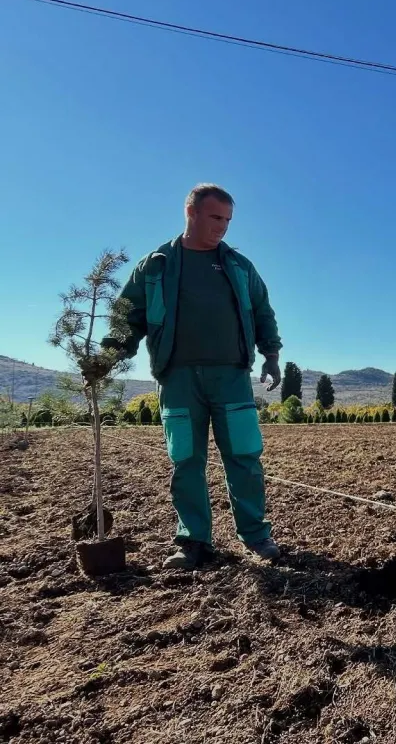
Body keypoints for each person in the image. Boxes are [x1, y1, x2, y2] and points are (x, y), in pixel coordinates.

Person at [101, 184, 284, 569]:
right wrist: (107, 356)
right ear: (191, 212)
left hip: (231, 375)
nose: (223, 227)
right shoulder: (156, 265)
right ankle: (193, 542)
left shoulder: (238, 266)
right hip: (178, 377)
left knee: (245, 457)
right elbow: (127, 315)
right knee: (185, 460)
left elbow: (263, 310)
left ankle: (256, 535)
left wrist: (271, 355)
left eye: (228, 220)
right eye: (216, 218)